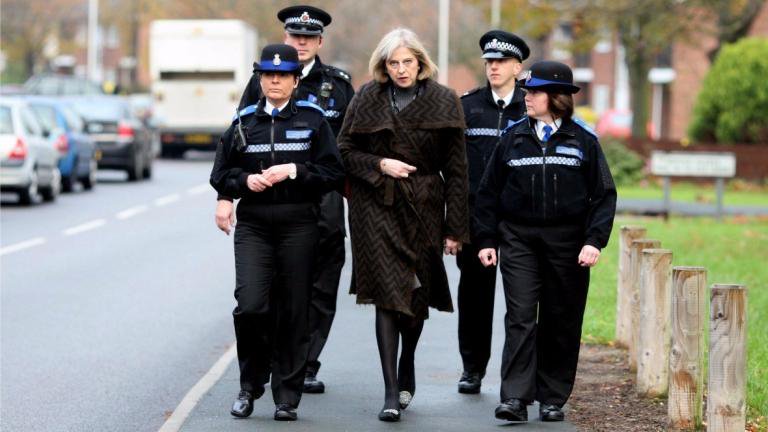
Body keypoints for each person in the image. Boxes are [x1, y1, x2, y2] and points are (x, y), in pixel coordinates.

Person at [215, 5, 354, 394]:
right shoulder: (261, 81)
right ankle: (277, 363)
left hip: (323, 195)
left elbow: (349, 145)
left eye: (308, 38)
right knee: (271, 288)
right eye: (296, 36)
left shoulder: (339, 85)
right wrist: (227, 194)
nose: (302, 43)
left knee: (320, 285)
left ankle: (306, 363)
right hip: (267, 201)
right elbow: (238, 139)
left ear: (320, 42)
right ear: (286, 38)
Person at [337, 28, 469, 422]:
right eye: (393, 63)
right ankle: (391, 391)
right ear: (383, 65)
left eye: (407, 61)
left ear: (420, 62)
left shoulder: (444, 100)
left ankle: (407, 359)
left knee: (415, 301)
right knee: (386, 294)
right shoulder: (367, 97)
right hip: (375, 204)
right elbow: (344, 150)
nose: (401, 69)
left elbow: (457, 169)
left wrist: (455, 228)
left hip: (425, 204)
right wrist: (380, 164)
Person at [473, 60, 616, 423]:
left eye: (534, 92)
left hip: (568, 243)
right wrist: (486, 239)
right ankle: (515, 398)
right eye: (527, 91)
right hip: (518, 239)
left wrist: (594, 241)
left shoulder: (584, 141)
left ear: (557, 97)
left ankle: (552, 397)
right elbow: (488, 192)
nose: (527, 97)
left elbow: (603, 196)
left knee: (560, 319)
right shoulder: (512, 137)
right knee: (520, 317)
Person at [456, 29, 530, 395]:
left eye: (502, 62)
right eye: (489, 62)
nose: (494, 67)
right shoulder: (468, 106)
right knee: (475, 297)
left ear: (518, 67)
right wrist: (453, 224)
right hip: (475, 217)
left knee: (522, 299)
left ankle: (518, 375)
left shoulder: (532, 107)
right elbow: (454, 170)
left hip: (519, 219)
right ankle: (472, 368)